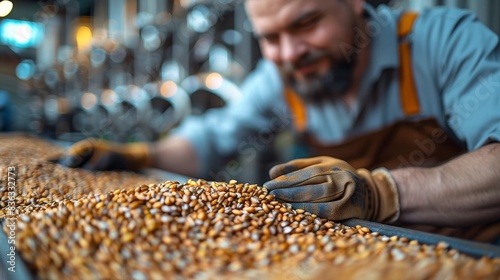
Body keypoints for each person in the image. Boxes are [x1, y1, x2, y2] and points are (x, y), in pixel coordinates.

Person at [58, 0, 500, 243]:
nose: (289, 54)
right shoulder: (282, 77)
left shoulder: (440, 42)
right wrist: (139, 155)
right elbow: (214, 139)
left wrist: (381, 192)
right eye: (270, 38)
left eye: (307, 23)